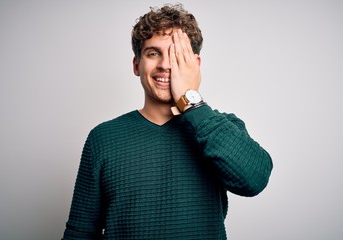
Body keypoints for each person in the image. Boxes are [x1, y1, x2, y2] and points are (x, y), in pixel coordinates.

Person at [62, 3, 273, 240]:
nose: (165, 64)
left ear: (195, 65)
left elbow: (255, 181)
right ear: (136, 65)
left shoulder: (221, 128)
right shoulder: (103, 138)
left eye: (176, 55)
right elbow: (80, 232)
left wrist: (191, 101)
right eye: (153, 53)